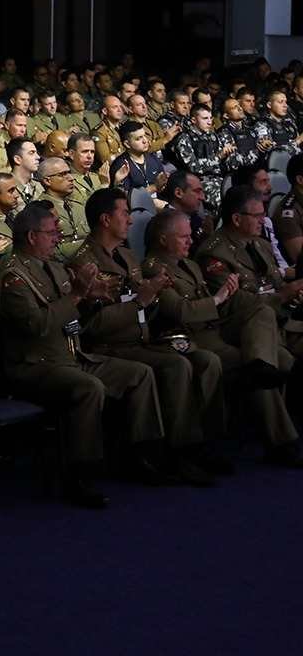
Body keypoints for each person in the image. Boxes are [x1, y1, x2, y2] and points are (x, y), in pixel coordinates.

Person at [0, 201, 164, 508]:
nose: (58, 237)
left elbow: (76, 305)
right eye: (51, 232)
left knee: (139, 373)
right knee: (88, 388)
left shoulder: (55, 267)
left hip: (70, 356)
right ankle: (80, 473)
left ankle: (140, 454)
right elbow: (37, 325)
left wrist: (94, 294)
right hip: (35, 366)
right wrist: (76, 295)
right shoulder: (13, 277)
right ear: (32, 237)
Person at [71, 188, 223, 483]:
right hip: (109, 346)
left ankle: (200, 444)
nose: (130, 220)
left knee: (203, 359)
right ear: (105, 219)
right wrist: (142, 299)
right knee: (176, 366)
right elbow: (93, 325)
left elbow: (141, 301)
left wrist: (154, 296)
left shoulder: (127, 255)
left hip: (142, 338)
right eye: (124, 213)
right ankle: (169, 453)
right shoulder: (84, 263)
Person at [143, 209, 301, 467]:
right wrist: (217, 299)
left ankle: (260, 368)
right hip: (190, 337)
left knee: (260, 315)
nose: (190, 241)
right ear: (163, 240)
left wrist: (228, 295)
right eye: (183, 237)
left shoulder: (189, 264)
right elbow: (181, 312)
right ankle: (282, 442)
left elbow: (220, 306)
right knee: (266, 361)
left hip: (215, 326)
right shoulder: (154, 269)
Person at [196, 186, 303, 355]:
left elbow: (274, 283)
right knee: (286, 364)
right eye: (257, 216)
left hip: (281, 321)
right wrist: (282, 296)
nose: (263, 220)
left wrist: (293, 296)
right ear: (237, 219)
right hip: (246, 330)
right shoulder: (214, 253)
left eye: (263, 214)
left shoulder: (261, 245)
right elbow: (231, 303)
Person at [33, 157, 88, 262]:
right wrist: (90, 242)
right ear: (47, 181)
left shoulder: (78, 206)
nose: (71, 178)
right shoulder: (38, 211)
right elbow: (49, 251)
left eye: (69, 172)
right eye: (63, 174)